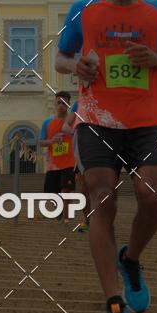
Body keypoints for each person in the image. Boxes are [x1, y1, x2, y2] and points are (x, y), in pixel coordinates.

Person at [55, 0, 157, 313]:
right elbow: (60, 58)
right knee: (101, 198)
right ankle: (114, 304)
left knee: (151, 194)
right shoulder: (83, 11)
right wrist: (78, 66)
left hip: (146, 120)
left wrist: (156, 60)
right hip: (96, 119)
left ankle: (132, 259)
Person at [39, 91, 76, 223]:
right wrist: (52, 141)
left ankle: (67, 218)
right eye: (58, 102)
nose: (61, 105)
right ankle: (60, 210)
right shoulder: (47, 123)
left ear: (69, 104)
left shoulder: (74, 121)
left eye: (64, 103)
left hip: (70, 163)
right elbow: (41, 142)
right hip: (53, 165)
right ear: (55, 104)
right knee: (50, 193)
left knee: (67, 190)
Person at [62, 98, 90, 231]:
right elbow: (66, 125)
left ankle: (103, 221)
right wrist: (74, 131)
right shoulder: (79, 103)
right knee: (84, 189)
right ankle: (88, 220)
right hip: (83, 148)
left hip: (104, 145)